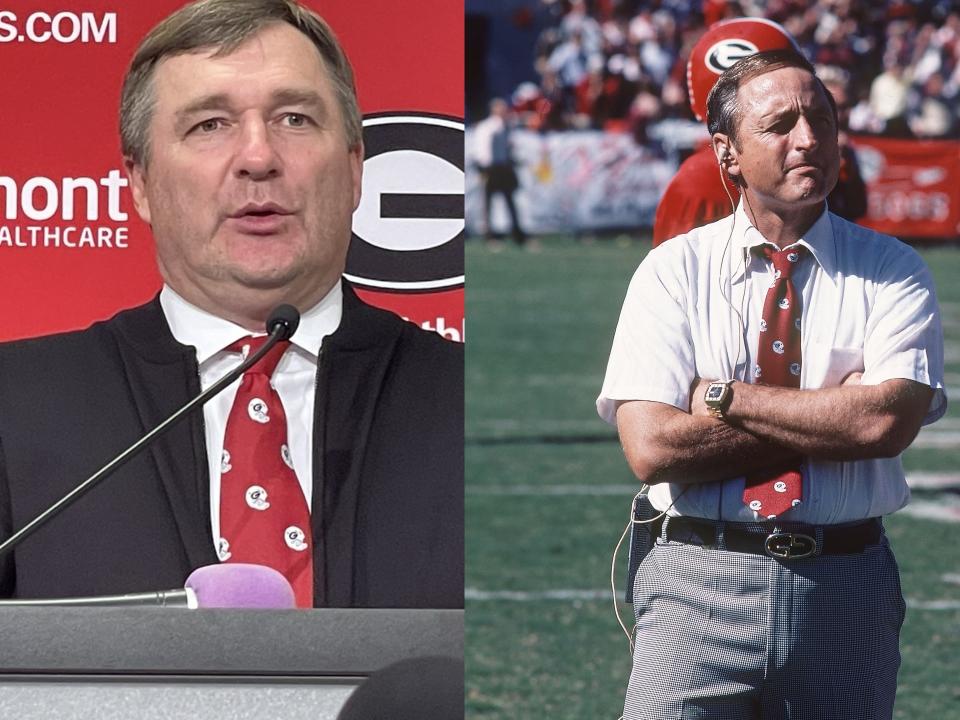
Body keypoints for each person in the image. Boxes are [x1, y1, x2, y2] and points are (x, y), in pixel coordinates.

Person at [0, 0, 462, 610]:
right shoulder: (16, 400)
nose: (258, 157)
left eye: (294, 119)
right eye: (209, 125)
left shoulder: (464, 397)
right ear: (138, 183)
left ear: (355, 170)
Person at [598, 49, 945, 719]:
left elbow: (883, 425)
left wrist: (726, 398)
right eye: (781, 123)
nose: (808, 139)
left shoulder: (894, 270)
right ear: (728, 154)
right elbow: (651, 449)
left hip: (843, 584)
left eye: (821, 119)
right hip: (697, 579)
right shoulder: (671, 273)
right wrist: (831, 414)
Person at [652, 17, 867, 247]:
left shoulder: (825, 153)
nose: (807, 140)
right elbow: (678, 271)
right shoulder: (700, 179)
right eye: (778, 124)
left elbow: (853, 215)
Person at [472, 98, 528, 247]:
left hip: (502, 167)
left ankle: (516, 233)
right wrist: (484, 166)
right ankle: (489, 234)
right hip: (491, 168)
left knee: (509, 201)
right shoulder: (490, 126)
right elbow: (483, 148)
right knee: (488, 202)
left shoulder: (505, 126)